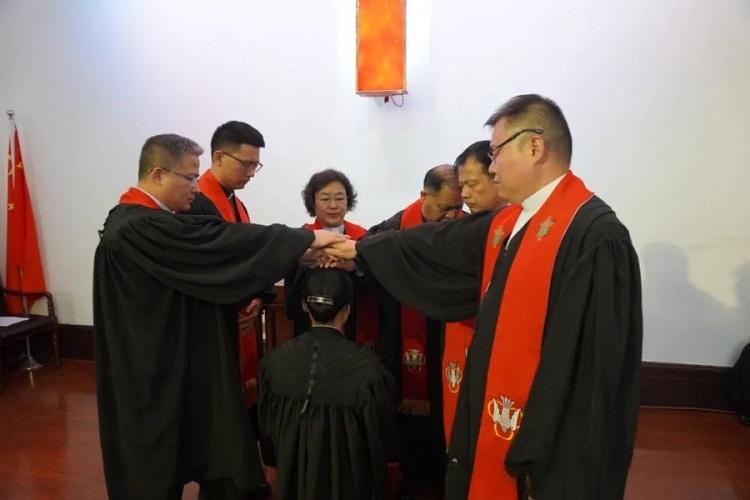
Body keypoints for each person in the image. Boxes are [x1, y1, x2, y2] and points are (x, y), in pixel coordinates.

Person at [326, 94, 642, 500]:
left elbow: (595, 374)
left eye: (496, 153)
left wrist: (540, 452)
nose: (492, 167)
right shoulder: (509, 222)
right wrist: (362, 249)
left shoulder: (593, 236)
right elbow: (440, 242)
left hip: (550, 449)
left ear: (534, 146)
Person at [93, 134, 344, 500]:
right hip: (148, 368)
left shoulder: (175, 215)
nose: (197, 186)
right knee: (153, 461)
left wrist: (300, 253)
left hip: (186, 356)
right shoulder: (134, 227)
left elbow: (222, 240)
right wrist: (304, 241)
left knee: (212, 440)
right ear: (159, 174)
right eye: (190, 177)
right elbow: (218, 245)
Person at [258, 268, 398, 500]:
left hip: (290, 485)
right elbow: (382, 446)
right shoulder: (370, 372)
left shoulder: (272, 364)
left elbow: (268, 438)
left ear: (304, 305)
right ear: (348, 310)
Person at [366, 164, 463, 498]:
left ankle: (444, 471)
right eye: (445, 207)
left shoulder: (464, 230)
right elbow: (365, 263)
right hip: (402, 340)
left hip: (449, 338)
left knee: (448, 410)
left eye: (458, 208)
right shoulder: (392, 232)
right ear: (424, 195)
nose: (452, 215)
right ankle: (413, 475)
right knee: (407, 415)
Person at [186, 121, 269, 405]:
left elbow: (247, 258)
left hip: (242, 317)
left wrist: (257, 295)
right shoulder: (195, 202)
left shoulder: (236, 202)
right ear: (219, 157)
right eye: (246, 164)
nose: (251, 173)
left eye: (255, 166)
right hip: (214, 321)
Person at [441, 140, 509, 444]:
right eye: (461, 186)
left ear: (496, 175)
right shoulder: (465, 225)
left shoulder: (516, 228)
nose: (464, 195)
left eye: (472, 184)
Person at [285, 169, 378, 349]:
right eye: (325, 199)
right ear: (312, 203)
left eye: (340, 198)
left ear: (348, 201)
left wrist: (354, 267)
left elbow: (376, 279)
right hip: (310, 327)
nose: (334, 205)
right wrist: (307, 263)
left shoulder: (362, 237)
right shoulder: (302, 237)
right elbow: (292, 290)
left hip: (354, 322)